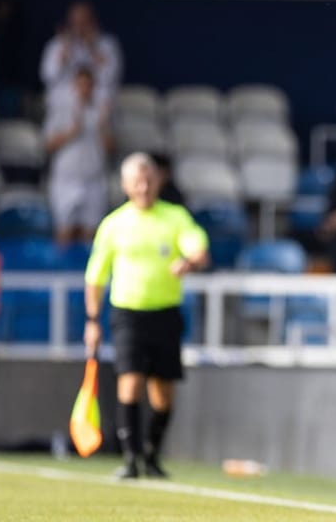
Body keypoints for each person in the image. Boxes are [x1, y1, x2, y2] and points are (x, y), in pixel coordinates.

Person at [83, 152, 210, 479]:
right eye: (136, 181)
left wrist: (190, 262)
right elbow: (95, 277)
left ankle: (152, 454)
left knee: (163, 393)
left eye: (149, 180)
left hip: (165, 314)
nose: (143, 187)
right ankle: (130, 459)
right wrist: (93, 321)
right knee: (131, 382)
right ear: (125, 185)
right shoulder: (114, 225)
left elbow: (197, 248)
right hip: (127, 314)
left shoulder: (175, 217)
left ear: (158, 181)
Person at [43, 67, 114, 246]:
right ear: (74, 86)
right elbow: (48, 145)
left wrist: (102, 126)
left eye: (88, 85)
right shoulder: (60, 111)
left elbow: (112, 148)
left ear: (94, 87)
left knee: (90, 233)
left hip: (93, 178)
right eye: (80, 84)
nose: (84, 89)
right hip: (66, 178)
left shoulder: (102, 113)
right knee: (63, 230)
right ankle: (59, 272)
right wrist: (71, 132)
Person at [39, 0, 122, 112]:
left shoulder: (108, 44)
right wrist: (64, 54)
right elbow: (47, 77)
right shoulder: (56, 44)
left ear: (94, 22)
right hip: (64, 103)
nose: (80, 27)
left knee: (104, 98)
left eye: (85, 22)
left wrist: (93, 49)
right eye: (76, 22)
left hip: (97, 103)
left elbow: (111, 77)